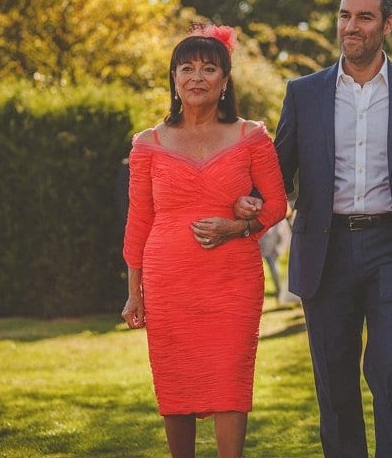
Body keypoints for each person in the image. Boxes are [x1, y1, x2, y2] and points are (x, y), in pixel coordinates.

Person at [237, 0, 392, 458]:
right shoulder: (305, 93)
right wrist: (251, 198)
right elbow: (279, 166)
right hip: (326, 247)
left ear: (388, 24)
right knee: (334, 375)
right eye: (344, 15)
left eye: (363, 17)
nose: (350, 26)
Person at [121, 24, 288, 458]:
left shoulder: (251, 137)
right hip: (169, 284)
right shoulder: (147, 144)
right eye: (187, 68)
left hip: (232, 282)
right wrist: (133, 291)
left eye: (209, 68)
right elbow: (138, 222)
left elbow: (275, 206)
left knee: (231, 380)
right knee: (176, 384)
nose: (197, 76)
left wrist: (238, 226)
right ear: (174, 78)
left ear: (225, 80)